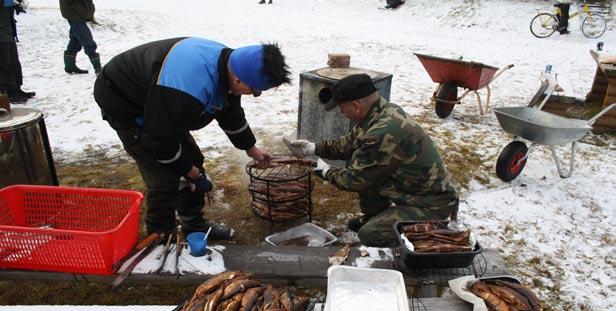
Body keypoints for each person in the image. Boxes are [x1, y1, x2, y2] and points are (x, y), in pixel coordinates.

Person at [93, 38, 291, 239]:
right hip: (124, 100)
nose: (255, 95)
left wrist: (250, 147)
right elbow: (159, 140)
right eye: (254, 89)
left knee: (192, 160)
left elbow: (229, 111)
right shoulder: (188, 86)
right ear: (239, 79)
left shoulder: (231, 63)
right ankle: (160, 236)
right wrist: (191, 173)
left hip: (161, 101)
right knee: (164, 176)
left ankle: (193, 226)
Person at [285, 74, 458, 247]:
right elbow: (348, 144)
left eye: (341, 108)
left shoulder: (382, 132)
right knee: (367, 169)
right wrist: (314, 148)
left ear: (355, 106)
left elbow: (354, 180)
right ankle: (376, 216)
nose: (342, 114)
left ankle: (424, 234)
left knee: (371, 234)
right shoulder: (380, 113)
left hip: (430, 205)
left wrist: (326, 171)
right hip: (412, 191)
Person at [0, 0, 35, 104]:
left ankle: (16, 88)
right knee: (4, 62)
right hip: (1, 32)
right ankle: (8, 92)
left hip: (7, 27)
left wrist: (16, 4)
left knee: (14, 61)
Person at [59, 0, 101, 74]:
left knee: (76, 40)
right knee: (87, 39)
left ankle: (70, 66)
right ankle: (98, 68)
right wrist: (81, 9)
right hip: (74, 13)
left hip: (78, 12)